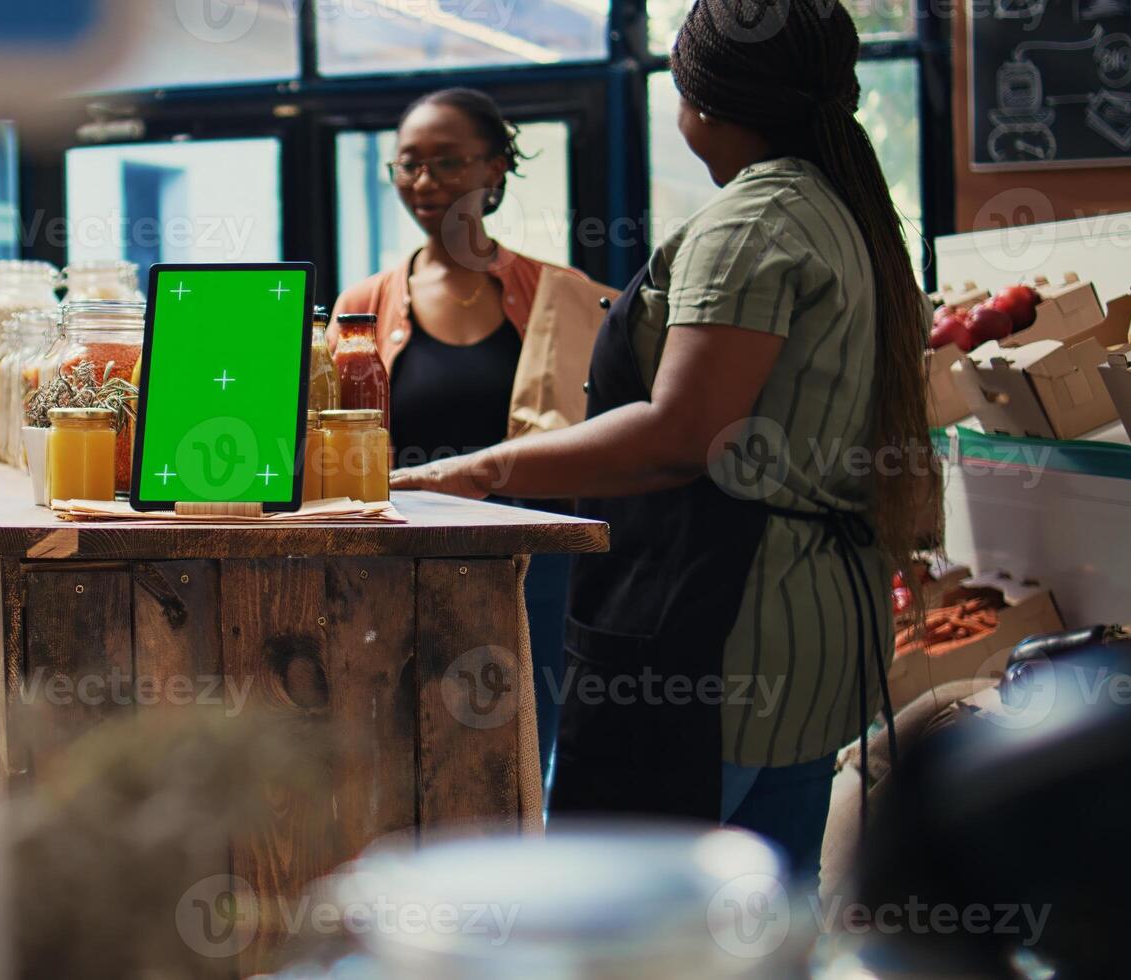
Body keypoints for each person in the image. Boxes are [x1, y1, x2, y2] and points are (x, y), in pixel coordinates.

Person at [389, 0, 936, 879]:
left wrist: (479, 470)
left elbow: (682, 435)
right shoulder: (841, 210)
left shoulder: (747, 226)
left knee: (628, 923)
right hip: (814, 624)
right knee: (762, 918)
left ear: (697, 100)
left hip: (719, 628)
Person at [330, 87, 598, 781]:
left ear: (494, 170)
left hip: (536, 568)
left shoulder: (557, 294)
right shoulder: (361, 305)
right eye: (407, 164)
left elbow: (600, 437)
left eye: (447, 163)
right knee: (405, 760)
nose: (423, 183)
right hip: (396, 564)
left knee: (524, 762)